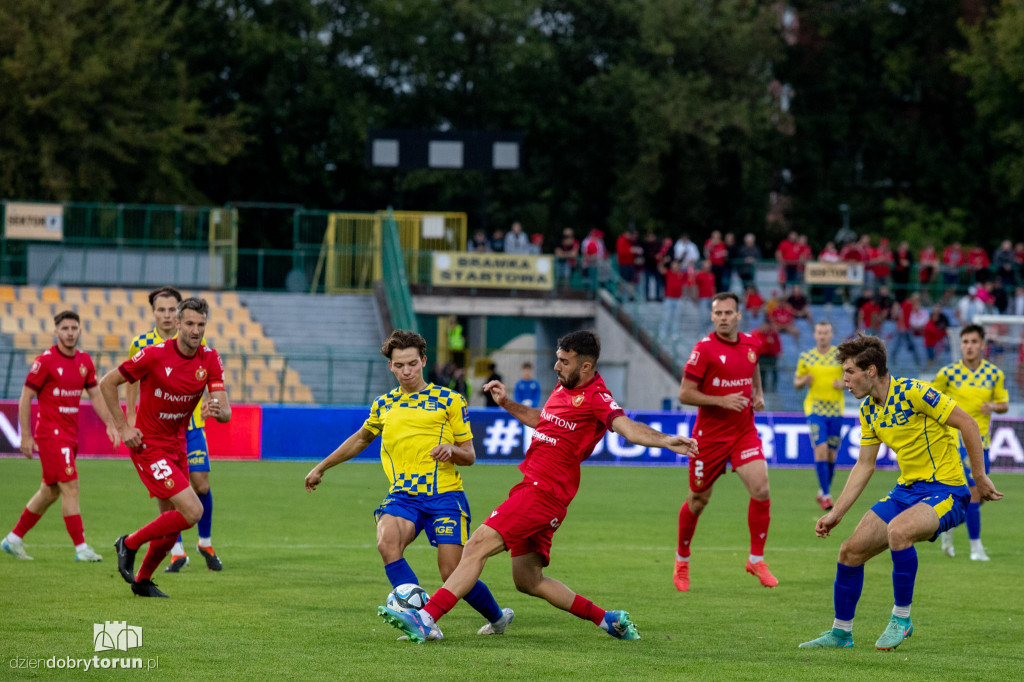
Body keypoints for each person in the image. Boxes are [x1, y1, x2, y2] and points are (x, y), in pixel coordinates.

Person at [379, 330, 698, 642]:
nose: (556, 366)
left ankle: (426, 617)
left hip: (542, 492)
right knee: (528, 580)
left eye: (564, 361)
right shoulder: (564, 389)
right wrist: (507, 403)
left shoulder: (597, 399)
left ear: (585, 367)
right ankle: (607, 619)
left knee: (476, 546)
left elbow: (627, 429)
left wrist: (666, 440)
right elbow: (542, 419)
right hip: (543, 494)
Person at [798, 334, 1002, 651]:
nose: (845, 380)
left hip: (947, 490)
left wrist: (979, 476)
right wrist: (836, 513)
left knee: (899, 531)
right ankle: (841, 633)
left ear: (871, 370)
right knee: (850, 552)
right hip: (906, 492)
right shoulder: (869, 411)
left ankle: (901, 619)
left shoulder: (914, 392)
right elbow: (864, 465)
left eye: (850, 372)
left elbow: (968, 424)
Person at [304, 330, 513, 637]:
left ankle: (497, 618)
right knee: (387, 542)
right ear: (391, 366)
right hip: (403, 495)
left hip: (444, 495)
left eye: (412, 363)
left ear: (423, 361)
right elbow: (361, 438)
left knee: (452, 572)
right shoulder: (384, 405)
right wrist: (322, 467)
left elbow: (469, 455)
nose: (406, 371)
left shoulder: (450, 400)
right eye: (399, 365)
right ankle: (423, 622)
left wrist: (452, 450)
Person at [103, 297, 232, 598]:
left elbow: (225, 411)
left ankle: (143, 581)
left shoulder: (210, 359)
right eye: (189, 323)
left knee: (171, 525)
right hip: (148, 445)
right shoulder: (154, 355)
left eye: (200, 324)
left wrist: (218, 411)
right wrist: (123, 427)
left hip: (178, 446)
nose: (195, 330)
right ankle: (129, 542)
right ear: (177, 324)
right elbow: (107, 383)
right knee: (192, 509)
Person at [675, 292, 777, 591]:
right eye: (718, 313)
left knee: (761, 488)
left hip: (743, 431)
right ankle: (682, 560)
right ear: (712, 316)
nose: (723, 318)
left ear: (738, 316)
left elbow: (753, 364)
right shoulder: (703, 350)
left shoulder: (752, 343)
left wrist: (758, 393)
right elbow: (685, 393)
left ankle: (756, 560)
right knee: (698, 500)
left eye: (728, 313)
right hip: (709, 438)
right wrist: (721, 400)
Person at [2, 311, 120, 562]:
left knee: (50, 491)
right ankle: (81, 548)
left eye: (74, 328)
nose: (69, 332)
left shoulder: (85, 361)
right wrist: (25, 436)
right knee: (71, 486)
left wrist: (110, 423)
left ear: (79, 331)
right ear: (56, 332)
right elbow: (26, 397)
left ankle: (12, 540)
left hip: (69, 434)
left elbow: (96, 395)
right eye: (64, 328)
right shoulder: (45, 361)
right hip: (51, 435)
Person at [127, 287, 222, 573]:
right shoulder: (143, 344)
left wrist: (210, 403)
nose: (167, 315)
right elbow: (130, 381)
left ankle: (204, 541)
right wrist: (129, 420)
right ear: (154, 312)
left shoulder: (198, 343)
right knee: (167, 493)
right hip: (157, 429)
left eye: (172, 309)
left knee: (201, 483)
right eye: (162, 310)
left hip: (191, 426)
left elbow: (205, 378)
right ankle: (175, 550)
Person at [931, 325, 1008, 561]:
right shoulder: (948, 373)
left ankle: (948, 524)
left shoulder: (994, 374)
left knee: (981, 496)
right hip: (957, 441)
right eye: (965, 342)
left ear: (983, 345)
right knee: (975, 493)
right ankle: (976, 548)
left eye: (974, 341)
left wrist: (992, 407)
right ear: (960, 345)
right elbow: (929, 398)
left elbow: (1003, 404)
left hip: (982, 442)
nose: (969, 346)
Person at [794, 321, 845, 511]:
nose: (823, 336)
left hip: (835, 410)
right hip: (815, 410)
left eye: (826, 332)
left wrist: (843, 384)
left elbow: (852, 378)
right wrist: (804, 380)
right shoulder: (806, 357)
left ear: (831, 335)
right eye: (819, 332)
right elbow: (797, 382)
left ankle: (823, 491)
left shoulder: (840, 357)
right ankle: (827, 495)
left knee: (832, 455)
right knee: (821, 449)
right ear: (815, 335)